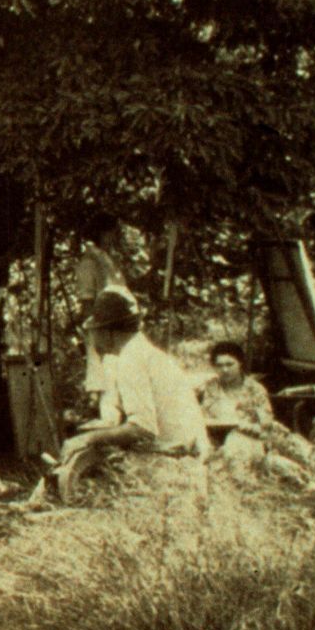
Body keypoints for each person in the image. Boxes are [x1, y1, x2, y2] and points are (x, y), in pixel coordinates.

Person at [60, 292, 209, 504]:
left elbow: (143, 428)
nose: (92, 339)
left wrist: (86, 439)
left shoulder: (131, 360)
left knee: (82, 482)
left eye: (93, 332)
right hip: (189, 461)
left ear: (108, 332)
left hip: (169, 466)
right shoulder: (145, 352)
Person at [73, 215, 130, 402]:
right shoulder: (89, 262)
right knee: (104, 380)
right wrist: (95, 329)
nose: (114, 237)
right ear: (101, 233)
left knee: (121, 377)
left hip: (119, 326)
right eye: (111, 232)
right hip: (102, 327)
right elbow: (87, 300)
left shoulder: (107, 260)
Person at [198, 341, 275, 465]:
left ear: (240, 363)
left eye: (229, 364)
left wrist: (248, 427)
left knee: (235, 442)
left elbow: (266, 424)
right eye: (219, 365)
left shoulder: (255, 389)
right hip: (215, 439)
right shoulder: (209, 387)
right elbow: (201, 415)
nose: (225, 370)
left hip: (247, 440)